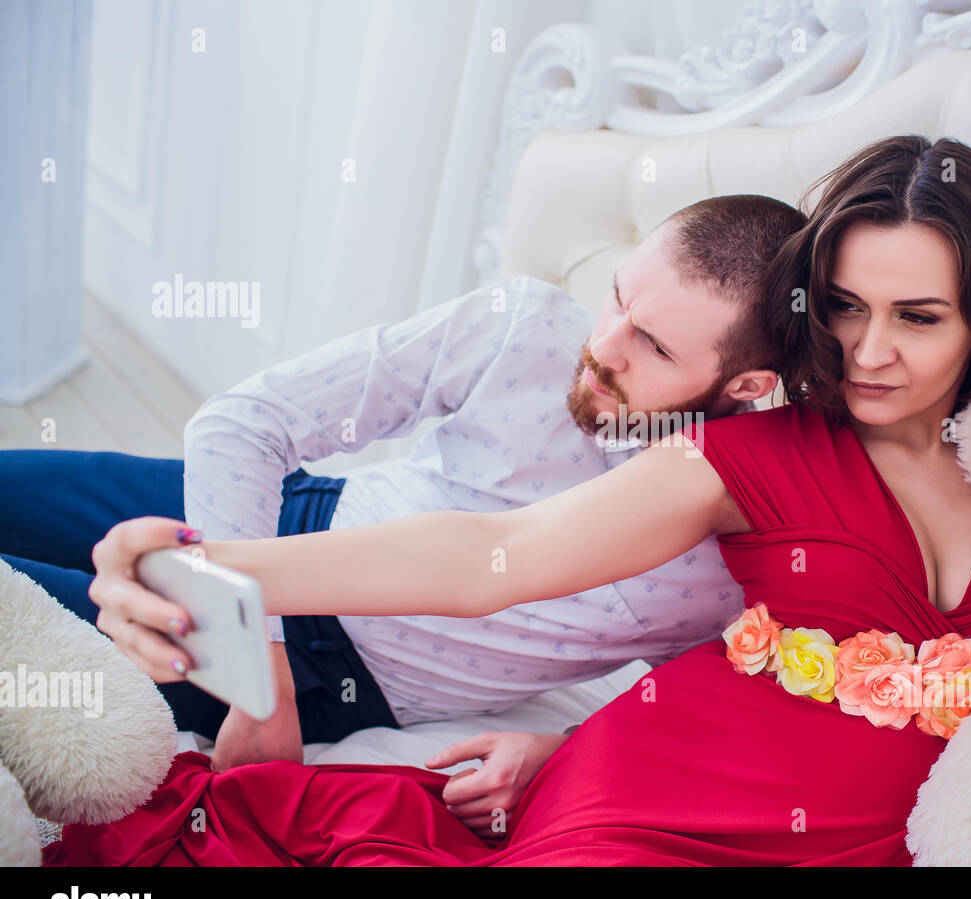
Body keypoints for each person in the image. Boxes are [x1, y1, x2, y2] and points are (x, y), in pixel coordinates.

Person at [57, 134, 971, 866]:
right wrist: (213, 570)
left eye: (916, 316)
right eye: (847, 310)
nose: (871, 352)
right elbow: (495, 555)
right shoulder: (766, 452)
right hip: (646, 791)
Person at [0, 195, 804, 805]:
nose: (604, 345)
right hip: (285, 519)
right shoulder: (524, 327)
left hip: (343, 674)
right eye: (620, 297)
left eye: (654, 347)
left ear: (745, 387)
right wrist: (259, 672)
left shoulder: (729, 554)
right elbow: (245, 422)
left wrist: (555, 749)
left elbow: (692, 710)